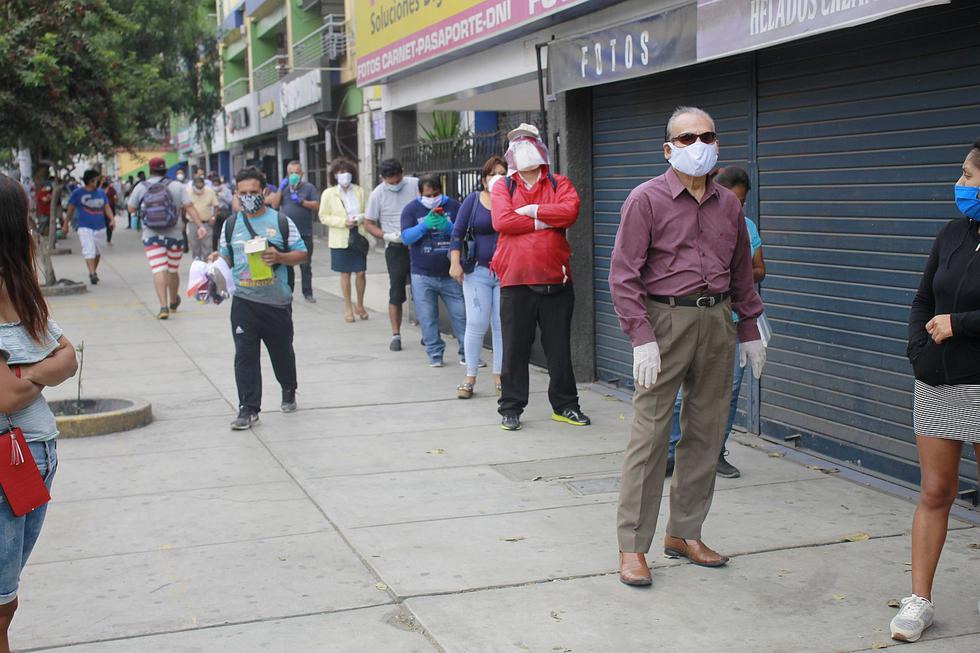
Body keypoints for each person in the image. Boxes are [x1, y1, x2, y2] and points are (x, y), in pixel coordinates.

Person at [610, 107, 766, 587]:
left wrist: (750, 326)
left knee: (706, 430)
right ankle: (633, 546)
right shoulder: (646, 200)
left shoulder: (729, 205)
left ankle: (685, 533)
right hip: (664, 320)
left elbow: (742, 270)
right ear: (668, 148)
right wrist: (640, 337)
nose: (698, 143)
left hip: (717, 317)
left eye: (707, 135)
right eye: (687, 137)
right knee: (651, 434)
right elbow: (623, 275)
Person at [891, 138, 980, 643]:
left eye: (968, 175)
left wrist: (960, 324)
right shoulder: (951, 233)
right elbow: (923, 297)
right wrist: (918, 352)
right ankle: (918, 600)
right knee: (935, 490)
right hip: (940, 383)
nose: (961, 184)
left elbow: (952, 314)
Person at [0, 173, 78, 653]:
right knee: (1, 601)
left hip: (30, 458)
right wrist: (40, 373)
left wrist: (24, 374)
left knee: (6, 596)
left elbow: (70, 354)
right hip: (11, 458)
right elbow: (5, 398)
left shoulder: (19, 283)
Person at [666, 166, 767, 480]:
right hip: (694, 319)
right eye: (732, 199)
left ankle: (715, 452)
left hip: (735, 321)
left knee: (730, 392)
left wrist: (738, 274)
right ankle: (671, 453)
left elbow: (759, 269)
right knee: (682, 393)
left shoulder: (747, 226)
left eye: (742, 201)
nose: (736, 207)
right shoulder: (692, 220)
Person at [490, 124, 590, 431]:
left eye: (528, 140)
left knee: (559, 347)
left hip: (555, 279)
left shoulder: (560, 183)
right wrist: (543, 220)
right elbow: (502, 221)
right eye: (517, 142)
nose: (523, 145)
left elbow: (569, 213)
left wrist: (530, 210)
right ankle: (511, 408)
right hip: (515, 279)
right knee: (515, 348)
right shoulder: (502, 187)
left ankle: (565, 405)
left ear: (540, 146)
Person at [210, 167, 308, 430]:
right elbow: (226, 256)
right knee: (244, 355)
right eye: (243, 193)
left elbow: (302, 254)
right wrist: (216, 261)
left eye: (254, 192)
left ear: (264, 192)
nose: (248, 197)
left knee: (281, 353)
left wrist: (280, 257)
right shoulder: (231, 225)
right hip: (244, 300)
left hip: (276, 302)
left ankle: (289, 388)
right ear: (236, 195)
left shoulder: (281, 222)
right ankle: (248, 408)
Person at [450, 156, 507, 398]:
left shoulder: (513, 200)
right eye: (493, 174)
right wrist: (455, 263)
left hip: (507, 272)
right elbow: (457, 233)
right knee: (476, 322)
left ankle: (500, 376)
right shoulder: (473, 201)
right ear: (484, 179)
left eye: (503, 173)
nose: (497, 178)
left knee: (501, 324)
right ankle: (470, 376)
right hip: (478, 271)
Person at [127, 157, 205, 320]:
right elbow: (189, 207)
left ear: (150, 170)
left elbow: (131, 207)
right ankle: (174, 300)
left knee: (158, 269)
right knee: (172, 269)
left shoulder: (141, 186)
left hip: (151, 236)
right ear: (165, 170)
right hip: (174, 235)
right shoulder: (177, 185)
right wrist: (200, 225)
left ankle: (163, 307)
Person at [400, 174, 465, 367]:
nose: (432, 198)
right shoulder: (411, 210)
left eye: (435, 194)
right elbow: (406, 237)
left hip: (450, 274)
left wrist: (449, 228)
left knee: (461, 315)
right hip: (422, 274)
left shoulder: (454, 206)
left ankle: (467, 353)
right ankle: (435, 354)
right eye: (428, 195)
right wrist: (423, 226)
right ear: (421, 194)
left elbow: (464, 233)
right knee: (427, 319)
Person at [364, 159, 420, 352]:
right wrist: (386, 236)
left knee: (421, 288)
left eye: (397, 181)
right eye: (390, 182)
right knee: (396, 290)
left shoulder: (414, 185)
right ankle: (396, 334)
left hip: (417, 242)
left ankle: (426, 330)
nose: (395, 185)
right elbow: (369, 223)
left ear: (403, 173)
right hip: (394, 245)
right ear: (383, 178)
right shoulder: (377, 194)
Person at [319, 158, 370, 321]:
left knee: (361, 272)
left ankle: (359, 304)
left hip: (358, 235)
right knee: (345, 274)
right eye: (341, 172)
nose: (344, 175)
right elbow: (323, 216)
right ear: (335, 175)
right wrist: (343, 222)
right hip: (340, 237)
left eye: (347, 172)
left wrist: (359, 219)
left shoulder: (360, 191)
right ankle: (348, 307)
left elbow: (368, 211)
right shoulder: (329, 193)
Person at [271, 161, 320, 302]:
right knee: (286, 264)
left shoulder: (309, 188)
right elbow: (274, 205)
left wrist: (301, 201)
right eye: (291, 172)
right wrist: (280, 188)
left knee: (305, 264)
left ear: (302, 174)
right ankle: (287, 291)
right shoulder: (284, 190)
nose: (294, 175)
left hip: (305, 233)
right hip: (287, 235)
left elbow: (317, 205)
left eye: (296, 172)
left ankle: (308, 293)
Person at [63, 170, 114, 286]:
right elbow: (70, 209)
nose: (98, 182)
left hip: (100, 226)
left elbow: (106, 207)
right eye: (96, 180)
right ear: (90, 181)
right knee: (89, 249)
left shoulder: (101, 193)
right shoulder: (77, 193)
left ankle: (93, 271)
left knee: (97, 252)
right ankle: (92, 273)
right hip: (85, 226)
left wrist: (112, 219)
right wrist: (66, 223)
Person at [187, 173, 218, 260]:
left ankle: (207, 266)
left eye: (201, 184)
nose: (199, 186)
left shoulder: (209, 191)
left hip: (206, 223)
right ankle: (196, 266)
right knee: (194, 246)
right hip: (193, 223)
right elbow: (184, 208)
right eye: (197, 184)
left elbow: (216, 206)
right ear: (193, 184)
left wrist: (213, 217)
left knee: (207, 246)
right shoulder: (188, 192)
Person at [212, 174, 233, 252]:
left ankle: (223, 248)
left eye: (217, 183)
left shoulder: (226, 190)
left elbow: (230, 201)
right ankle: (214, 249)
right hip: (215, 213)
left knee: (223, 232)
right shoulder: (210, 190)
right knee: (215, 233)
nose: (216, 184)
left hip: (224, 212)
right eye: (214, 183)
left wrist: (221, 195)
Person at [101, 178, 117, 245]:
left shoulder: (99, 190)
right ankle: (108, 240)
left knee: (104, 225)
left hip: (101, 210)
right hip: (110, 209)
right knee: (109, 225)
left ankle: (106, 239)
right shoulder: (111, 189)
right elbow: (115, 197)